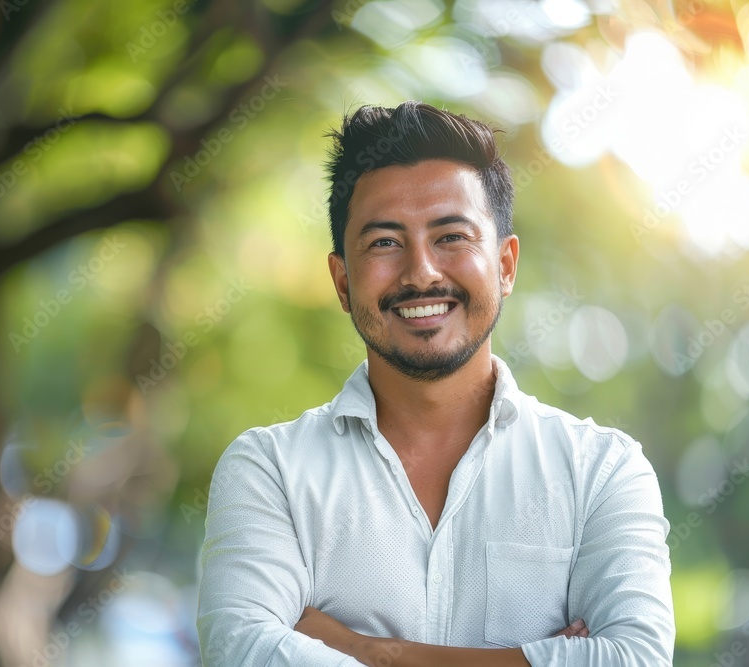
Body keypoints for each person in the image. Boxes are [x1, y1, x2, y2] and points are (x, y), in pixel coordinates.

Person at [195, 101, 675, 666]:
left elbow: (635, 659)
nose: (421, 271)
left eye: (451, 236)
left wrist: (377, 651)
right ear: (342, 281)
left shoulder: (602, 472)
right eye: (384, 242)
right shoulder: (269, 470)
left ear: (506, 265)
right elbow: (241, 651)